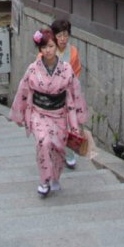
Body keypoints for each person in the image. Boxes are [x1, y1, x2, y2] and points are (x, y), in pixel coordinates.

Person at [10, 27, 87, 198]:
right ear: (40, 49)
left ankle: (55, 177)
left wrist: (78, 118)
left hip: (59, 114)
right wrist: (19, 113)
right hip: (39, 113)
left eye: (51, 46)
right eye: (44, 47)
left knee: (58, 148)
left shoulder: (66, 69)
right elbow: (23, 90)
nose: (48, 50)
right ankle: (44, 181)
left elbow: (74, 92)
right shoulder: (33, 69)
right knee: (43, 142)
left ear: (56, 47)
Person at [50, 18, 82, 167]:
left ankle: (69, 154)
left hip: (68, 95)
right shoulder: (48, 50)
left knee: (69, 125)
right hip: (51, 96)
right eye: (59, 36)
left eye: (65, 35)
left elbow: (76, 72)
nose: (63, 39)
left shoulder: (73, 52)